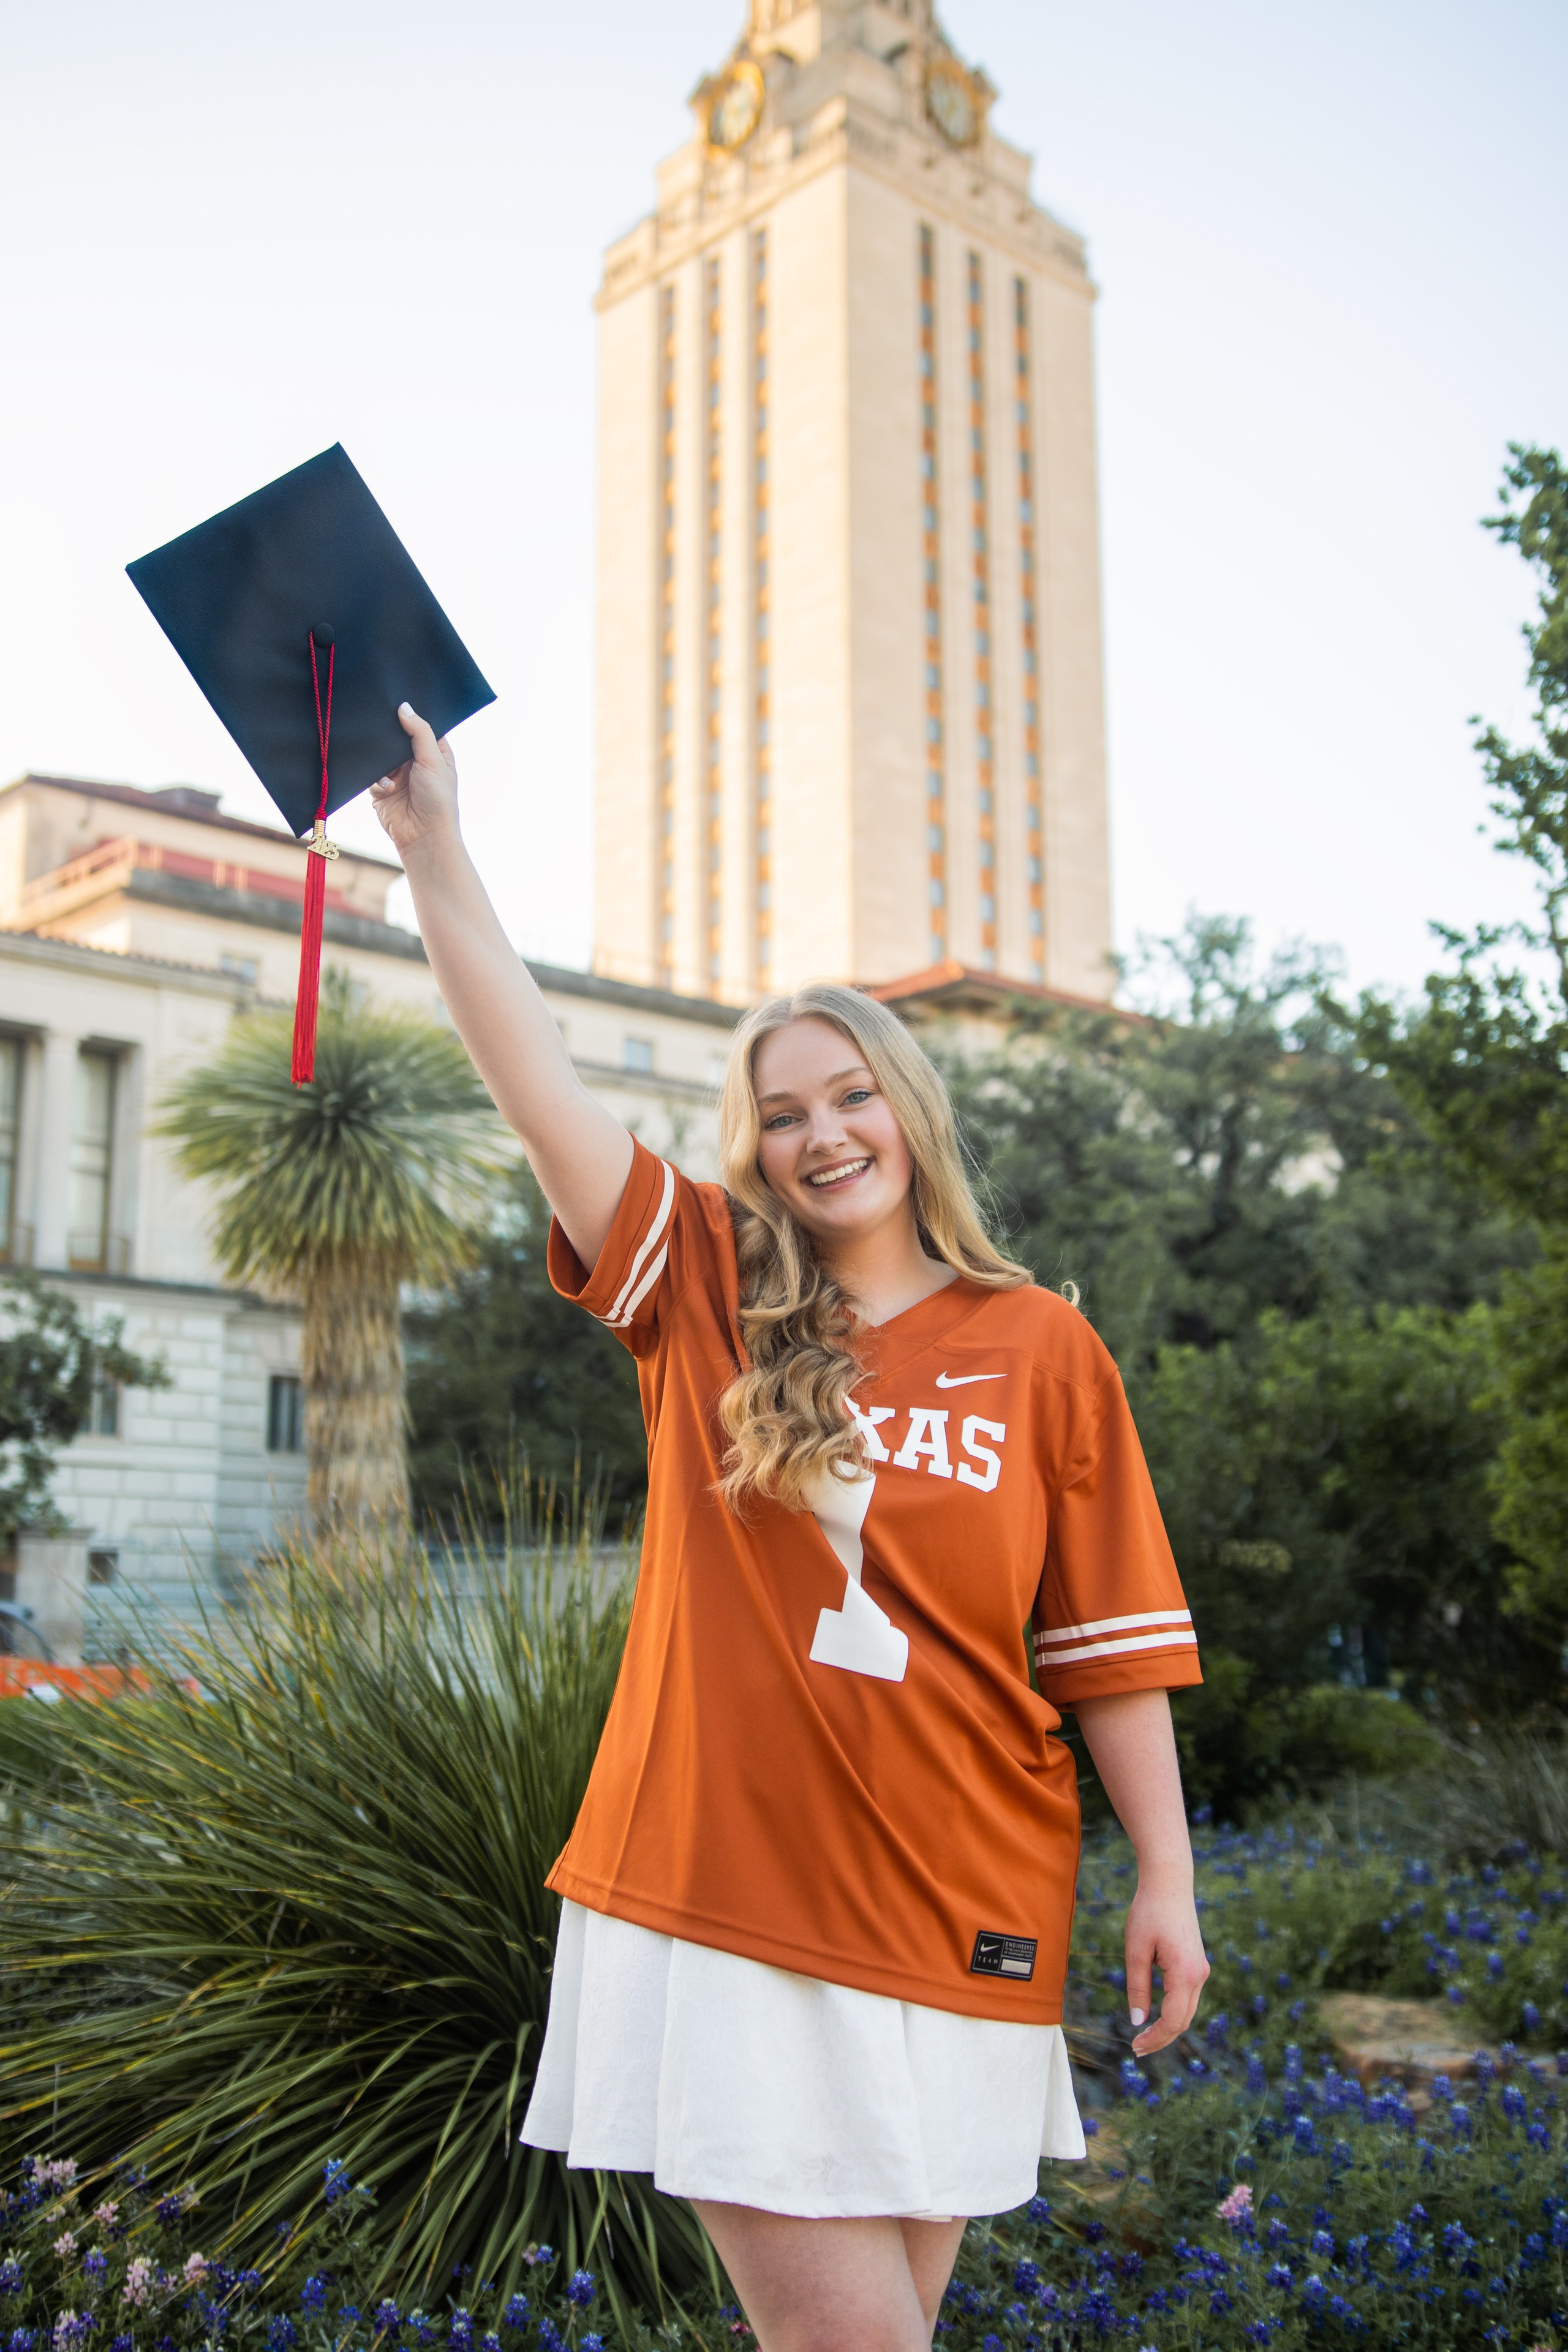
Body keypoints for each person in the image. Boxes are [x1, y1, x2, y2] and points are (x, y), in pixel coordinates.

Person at [372, 706, 1210, 2352]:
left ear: (907, 1111)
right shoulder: (699, 1287)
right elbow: (535, 1083)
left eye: (849, 1097)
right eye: (778, 1113)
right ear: (747, 1144)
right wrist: (436, 855)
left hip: (971, 1903)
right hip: (737, 1903)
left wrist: (1168, 1878)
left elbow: (1103, 1643)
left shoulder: (1042, 1343)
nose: (820, 1134)